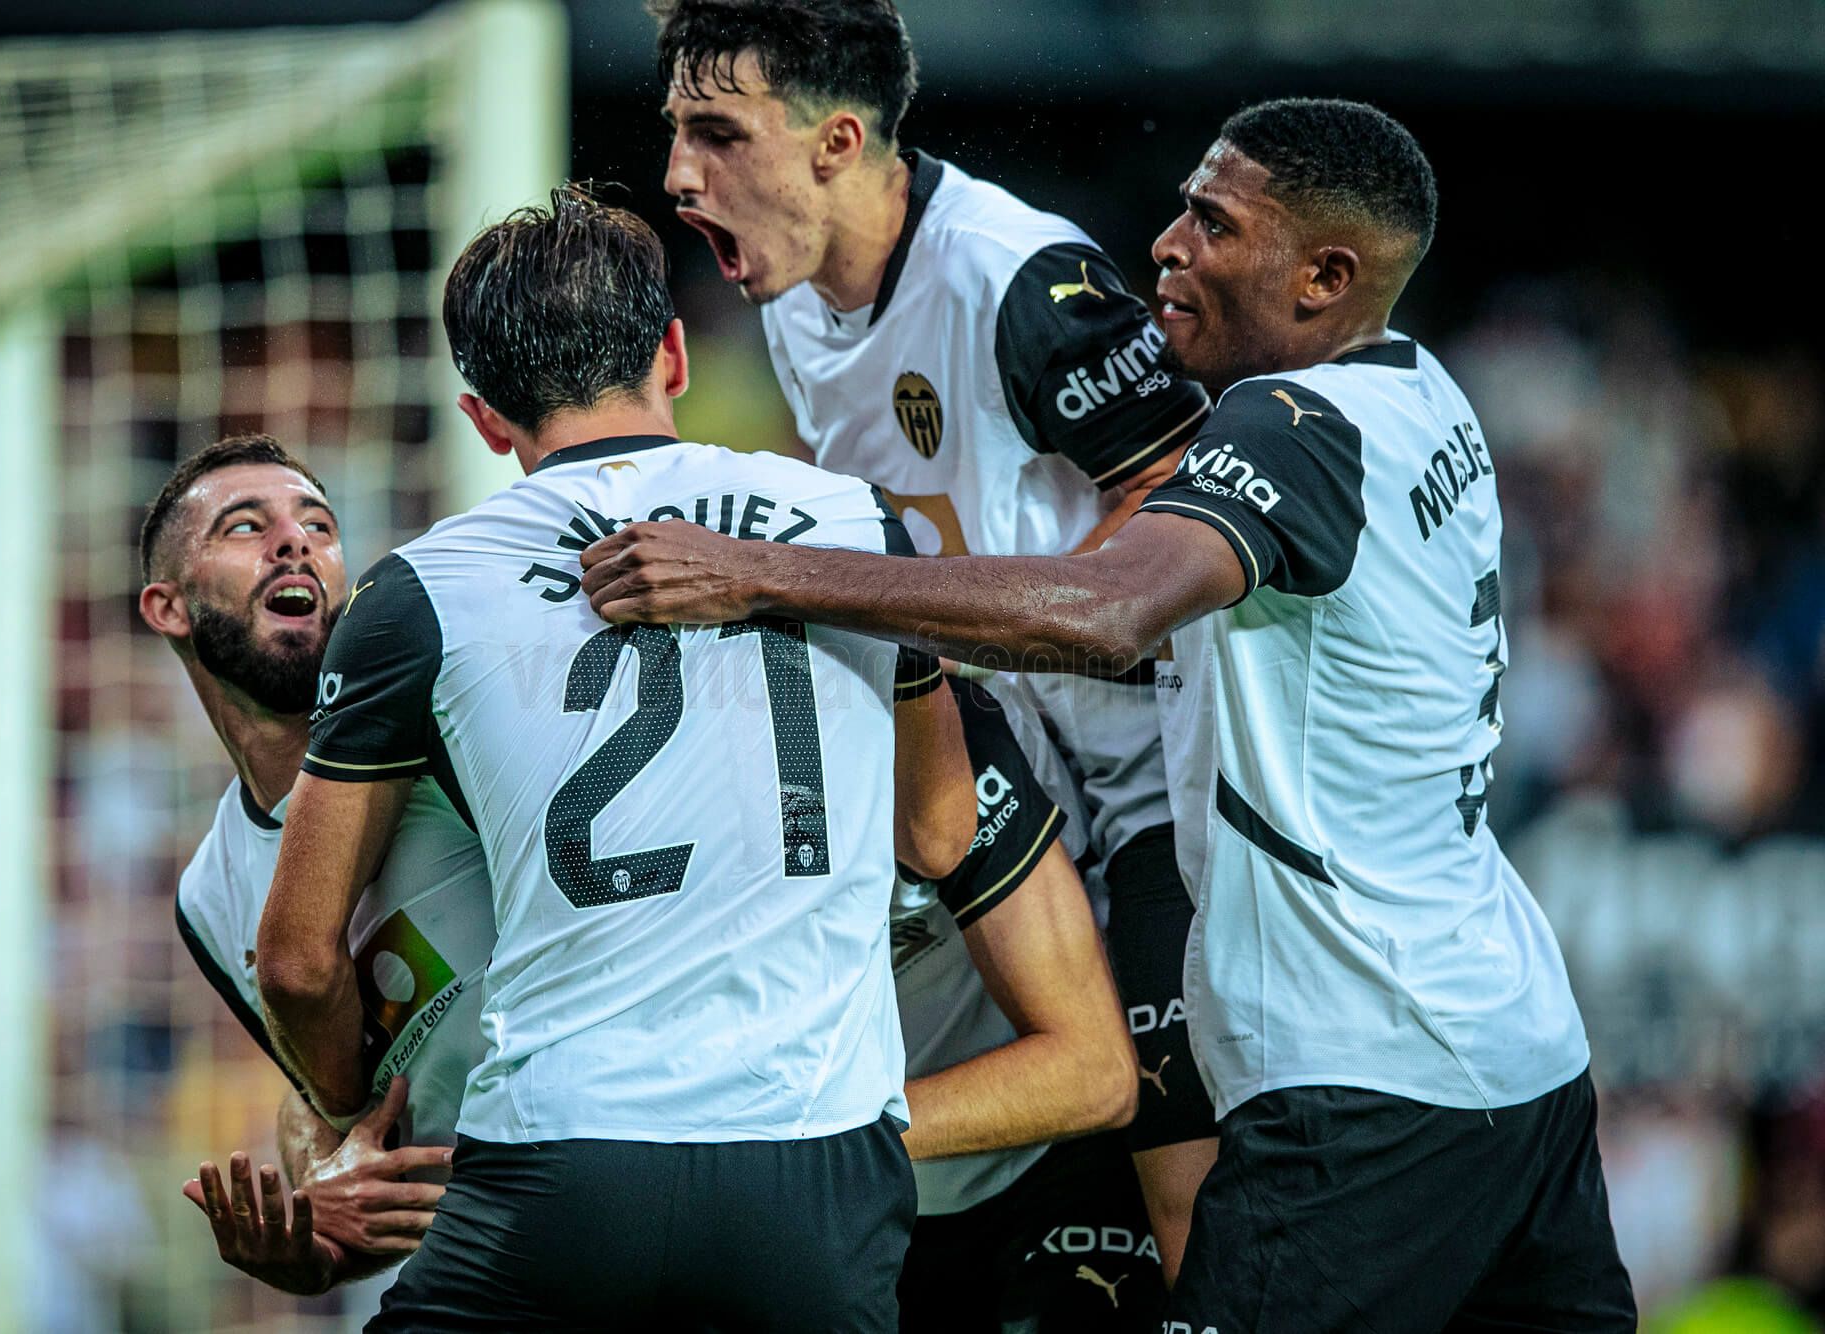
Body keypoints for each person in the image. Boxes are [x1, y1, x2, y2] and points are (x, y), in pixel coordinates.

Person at [580, 98, 1639, 1330]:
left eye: (1212, 224)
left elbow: (1104, 612)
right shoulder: (1427, 396)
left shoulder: (1291, 425)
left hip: (1364, 1075)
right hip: (1521, 1049)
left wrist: (760, 573)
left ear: (1323, 277)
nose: (1165, 248)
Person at [254, 185, 976, 1332]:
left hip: (562, 1162)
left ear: (482, 416)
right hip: (812, 1161)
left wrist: (349, 1109)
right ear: (674, 354)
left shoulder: (418, 590)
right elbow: (938, 832)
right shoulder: (852, 523)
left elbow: (295, 958)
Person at [650, 0, 1219, 1275]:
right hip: (1006, 795)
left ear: (836, 140)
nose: (679, 175)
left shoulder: (1012, 276)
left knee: (1193, 1228)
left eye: (715, 134)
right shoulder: (792, 304)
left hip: (1153, 804)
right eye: (673, 132)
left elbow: (1179, 513)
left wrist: (959, 633)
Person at [137, 434, 486, 1302]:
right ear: (168, 608)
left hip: (629, 1159)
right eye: (245, 526)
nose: (295, 542)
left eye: (319, 524)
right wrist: (313, 1236)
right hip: (490, 1247)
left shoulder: (455, 730)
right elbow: (340, 1113)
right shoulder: (209, 898)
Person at [891, 674, 1159, 1329]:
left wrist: (815, 1135)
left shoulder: (975, 721)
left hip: (1045, 1163)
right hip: (869, 1195)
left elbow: (1095, 1075)